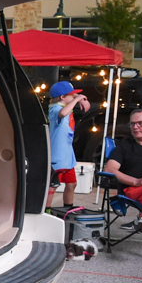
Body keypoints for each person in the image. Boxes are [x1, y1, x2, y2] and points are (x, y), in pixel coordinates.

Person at [103, 109, 142, 264]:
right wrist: (136, 181)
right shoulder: (124, 147)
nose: (136, 127)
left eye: (140, 123)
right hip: (134, 190)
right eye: (133, 124)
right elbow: (109, 169)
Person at [48, 81, 91, 209]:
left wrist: (81, 99)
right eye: (72, 95)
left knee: (71, 183)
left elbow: (67, 109)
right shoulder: (55, 109)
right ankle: (47, 211)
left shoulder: (65, 107)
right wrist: (77, 99)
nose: (74, 97)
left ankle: (68, 208)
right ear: (62, 97)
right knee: (52, 185)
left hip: (67, 156)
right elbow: (62, 113)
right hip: (57, 156)